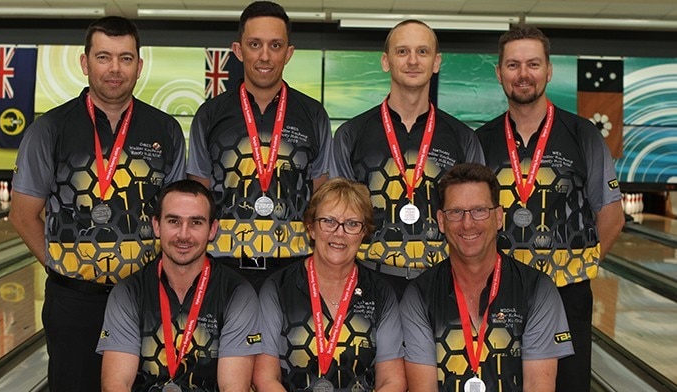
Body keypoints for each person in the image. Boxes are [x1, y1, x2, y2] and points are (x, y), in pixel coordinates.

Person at [8, 16, 186, 392]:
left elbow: (176, 216)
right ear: (85, 62)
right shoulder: (50, 129)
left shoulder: (165, 129)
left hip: (144, 299)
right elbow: (23, 215)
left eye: (125, 58)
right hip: (73, 302)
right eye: (104, 57)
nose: (115, 69)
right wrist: (66, 270)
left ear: (139, 65)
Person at [476, 25, 625, 391]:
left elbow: (611, 215)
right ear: (499, 73)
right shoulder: (481, 140)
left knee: (568, 385)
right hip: (498, 291)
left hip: (566, 291)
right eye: (512, 65)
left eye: (532, 64)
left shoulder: (582, 134)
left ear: (548, 69)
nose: (523, 74)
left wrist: (576, 270)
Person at [187, 1, 333, 291]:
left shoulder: (313, 115)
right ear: (238, 50)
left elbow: (322, 197)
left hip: (295, 265)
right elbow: (197, 199)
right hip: (223, 266)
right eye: (255, 44)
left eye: (276, 46)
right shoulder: (210, 114)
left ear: (289, 53)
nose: (265, 56)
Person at [332, 19, 484, 298]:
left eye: (422, 52)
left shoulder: (463, 137)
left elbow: (476, 218)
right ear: (385, 61)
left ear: (436, 62)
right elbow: (337, 219)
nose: (412, 60)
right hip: (368, 281)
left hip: (443, 284)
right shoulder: (350, 134)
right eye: (402, 51)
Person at [400, 163, 574, 392]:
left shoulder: (538, 290)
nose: (468, 223)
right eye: (456, 212)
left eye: (479, 210)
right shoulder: (418, 295)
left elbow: (537, 386)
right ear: (441, 221)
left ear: (499, 217)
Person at [97, 179, 261, 391]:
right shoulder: (127, 293)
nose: (184, 235)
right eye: (174, 221)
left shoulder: (238, 293)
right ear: (156, 226)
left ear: (212, 230)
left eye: (196, 223)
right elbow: (116, 384)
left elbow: (233, 387)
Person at [254, 178, 406, 392]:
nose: (339, 232)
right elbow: (265, 378)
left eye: (352, 223)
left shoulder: (381, 292)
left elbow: (393, 381)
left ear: (364, 233)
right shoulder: (277, 287)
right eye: (329, 221)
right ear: (311, 228)